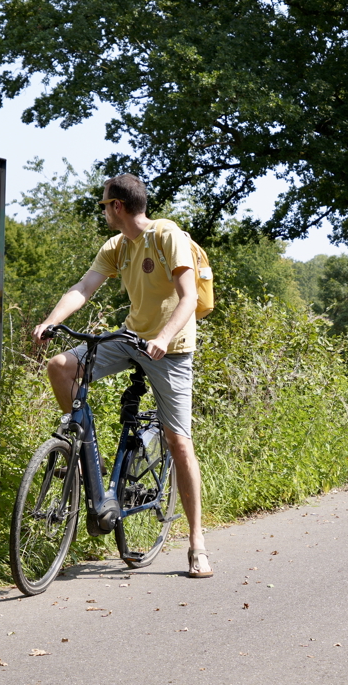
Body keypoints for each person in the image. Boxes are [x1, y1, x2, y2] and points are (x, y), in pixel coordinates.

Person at [32, 173, 213, 578]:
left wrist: (164, 337)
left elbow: (187, 296)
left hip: (172, 349)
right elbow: (84, 287)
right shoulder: (117, 246)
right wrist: (50, 322)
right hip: (131, 339)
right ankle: (84, 459)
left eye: (104, 205)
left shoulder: (167, 235)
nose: (103, 211)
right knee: (61, 367)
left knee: (178, 441)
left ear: (117, 206)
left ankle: (197, 543)